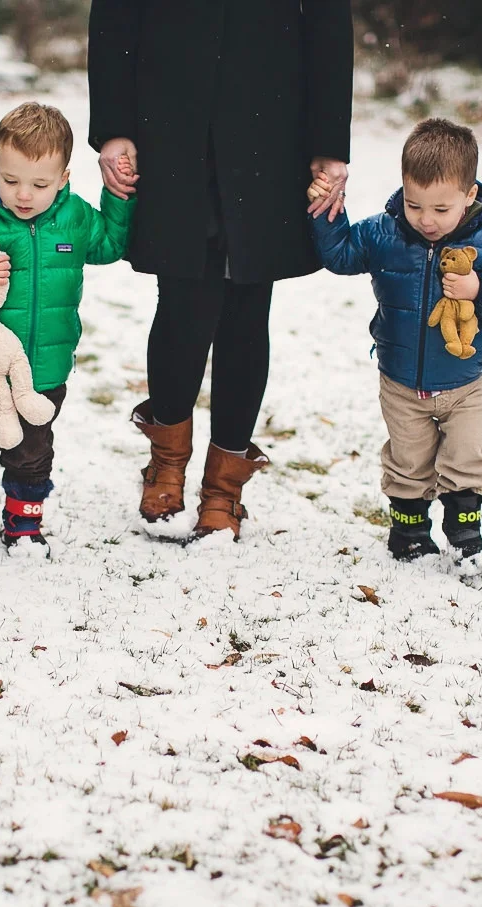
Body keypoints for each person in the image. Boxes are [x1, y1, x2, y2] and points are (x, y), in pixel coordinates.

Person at [88, 1, 353, 541]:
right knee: (182, 300)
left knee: (247, 308)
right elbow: (115, 12)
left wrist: (328, 142)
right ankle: (166, 466)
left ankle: (224, 488)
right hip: (169, 115)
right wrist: (114, 126)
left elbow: (328, 19)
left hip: (272, 119)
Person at [308, 118, 482, 560]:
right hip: (400, 380)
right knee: (408, 460)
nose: (426, 220)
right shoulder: (385, 233)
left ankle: (464, 528)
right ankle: (409, 531)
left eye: (441, 209)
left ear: (469, 195)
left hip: (464, 381)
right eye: (414, 205)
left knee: (466, 456)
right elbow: (340, 255)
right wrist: (326, 210)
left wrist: (480, 288)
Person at [0, 103, 135, 558]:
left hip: (45, 367)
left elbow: (110, 245)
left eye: (39, 185)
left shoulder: (74, 218)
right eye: (10, 180)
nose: (23, 195)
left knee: (32, 450)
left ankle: (23, 521)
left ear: (63, 178)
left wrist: (118, 197)